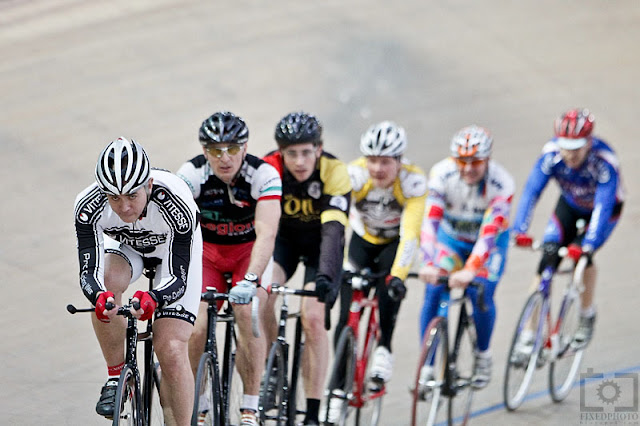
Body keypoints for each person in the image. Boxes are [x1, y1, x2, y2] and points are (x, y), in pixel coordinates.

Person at [74, 137, 202, 426]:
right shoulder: (88, 204)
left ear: (149, 185)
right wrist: (99, 297)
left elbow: (178, 276)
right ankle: (115, 377)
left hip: (172, 254)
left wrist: (154, 298)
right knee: (107, 284)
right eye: (114, 198)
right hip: (128, 249)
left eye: (132, 195)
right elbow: (89, 271)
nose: (124, 207)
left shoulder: (176, 200)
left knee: (170, 348)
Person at [177, 111, 282, 426]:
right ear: (205, 150)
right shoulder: (191, 174)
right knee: (195, 325)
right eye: (216, 150)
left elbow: (267, 233)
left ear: (245, 147)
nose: (225, 158)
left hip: (247, 255)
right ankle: (200, 401)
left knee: (248, 313)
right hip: (208, 256)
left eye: (233, 149)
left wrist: (250, 279)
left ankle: (250, 404)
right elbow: (178, 230)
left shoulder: (263, 175)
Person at [262, 111, 351, 426]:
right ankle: (273, 363)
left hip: (320, 247)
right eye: (291, 154)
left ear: (319, 149)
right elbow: (261, 227)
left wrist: (325, 276)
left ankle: (313, 411)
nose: (299, 162)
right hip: (284, 241)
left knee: (313, 318)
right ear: (280, 153)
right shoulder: (268, 168)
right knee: (263, 293)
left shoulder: (335, 171)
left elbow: (333, 232)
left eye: (306, 152)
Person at [511, 108, 624, 349]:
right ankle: (528, 334)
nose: (570, 154)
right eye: (565, 147)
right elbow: (531, 191)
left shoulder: (604, 163)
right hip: (571, 206)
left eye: (577, 148)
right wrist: (519, 229)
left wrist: (588, 245)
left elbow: (603, 207)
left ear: (589, 143)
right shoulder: (551, 156)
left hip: (603, 211)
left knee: (582, 257)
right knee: (547, 258)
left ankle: (586, 313)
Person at [418, 125, 515, 389]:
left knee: (479, 291)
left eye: (476, 162)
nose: (469, 168)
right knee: (433, 289)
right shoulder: (441, 174)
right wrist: (428, 262)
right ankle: (427, 365)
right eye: (462, 161)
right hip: (451, 240)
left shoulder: (502, 184)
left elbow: (489, 234)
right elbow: (430, 222)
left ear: (488, 159)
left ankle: (483, 354)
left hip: (488, 244)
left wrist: (471, 270)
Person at [336, 121, 427, 385]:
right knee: (344, 315)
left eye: (385, 162)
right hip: (362, 240)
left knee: (389, 288)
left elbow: (410, 234)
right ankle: (338, 385)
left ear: (399, 161)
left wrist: (398, 276)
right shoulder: (354, 175)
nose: (377, 168)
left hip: (393, 243)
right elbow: (336, 223)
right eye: (372, 160)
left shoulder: (413, 181)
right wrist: (337, 264)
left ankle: (384, 347)